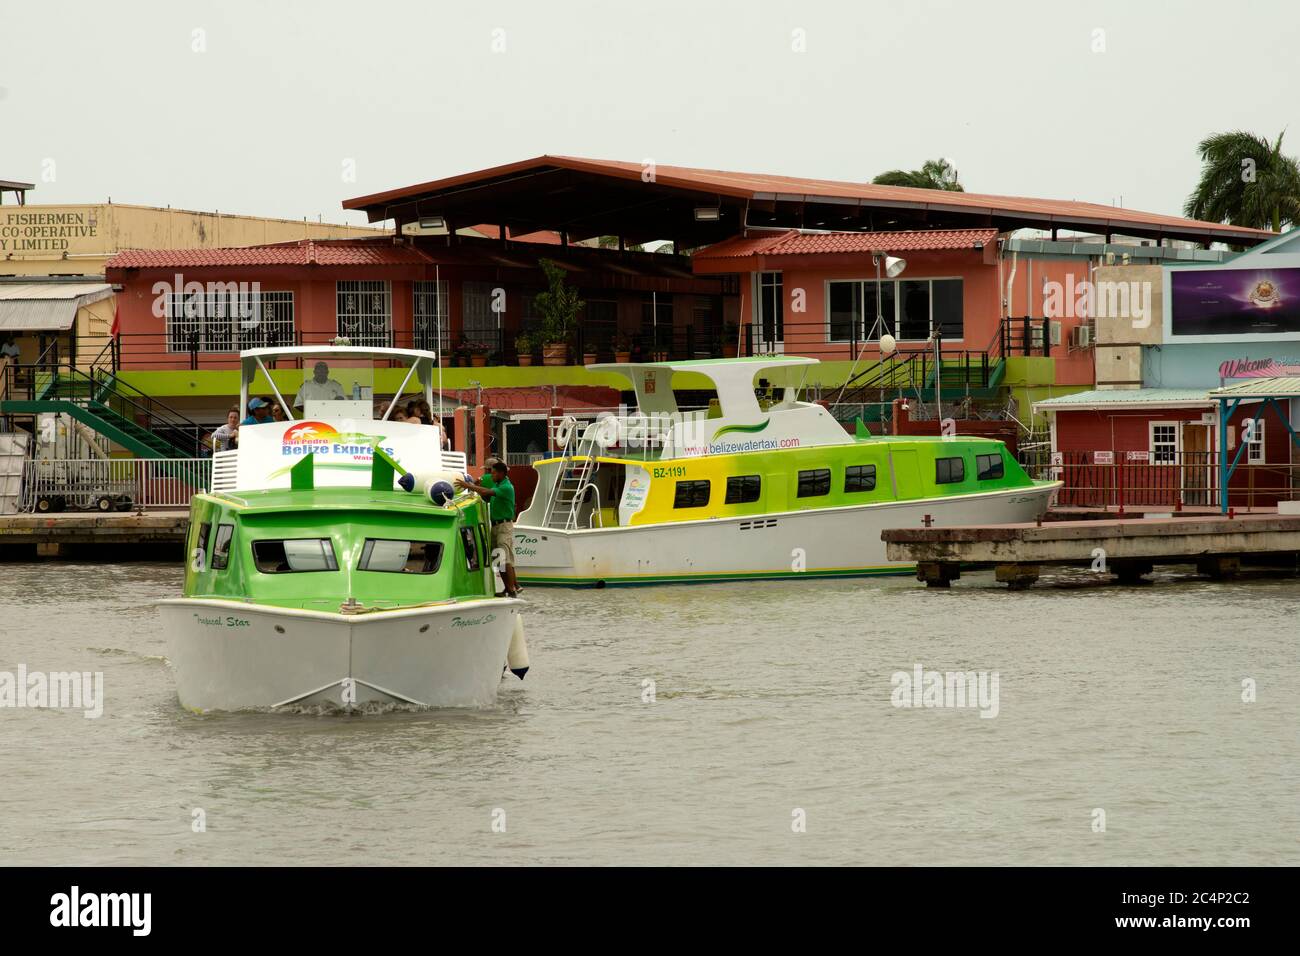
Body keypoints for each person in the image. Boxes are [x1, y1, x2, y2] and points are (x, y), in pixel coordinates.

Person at [456, 459, 519, 597]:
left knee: (505, 558)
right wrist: (477, 492)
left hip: (504, 526)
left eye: (494, 473)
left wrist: (469, 486)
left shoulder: (506, 487)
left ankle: (512, 590)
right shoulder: (498, 486)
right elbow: (487, 498)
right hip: (496, 525)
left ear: (501, 473)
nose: (491, 475)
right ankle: (508, 588)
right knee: (498, 558)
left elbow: (486, 491)